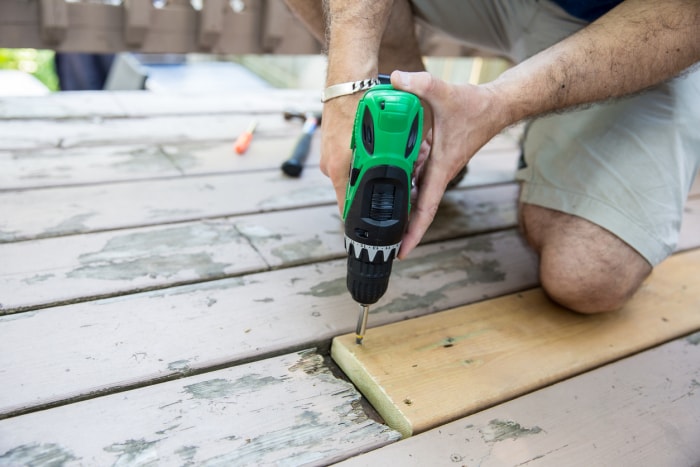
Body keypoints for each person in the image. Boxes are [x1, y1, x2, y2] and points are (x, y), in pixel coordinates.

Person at [283, 0, 700, 314]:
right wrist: (346, 86)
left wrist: (502, 104)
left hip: (630, 24)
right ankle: (422, 108)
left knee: (591, 274)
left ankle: (546, 112)